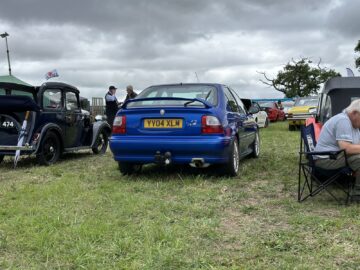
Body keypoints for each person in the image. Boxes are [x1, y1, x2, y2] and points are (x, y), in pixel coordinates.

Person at [314, 99, 360, 194]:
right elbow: (346, 148)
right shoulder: (343, 121)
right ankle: (357, 194)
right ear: (355, 113)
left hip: (336, 157)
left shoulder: (354, 124)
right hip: (325, 161)